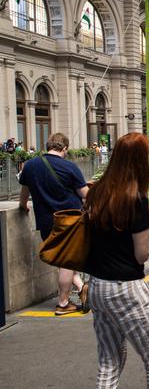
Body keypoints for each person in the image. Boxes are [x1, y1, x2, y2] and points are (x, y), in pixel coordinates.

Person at [83, 132, 149, 388]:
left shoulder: (97, 191)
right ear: (139, 161)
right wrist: (143, 217)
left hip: (97, 285)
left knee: (109, 360)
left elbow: (112, 225)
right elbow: (141, 255)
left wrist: (144, 216)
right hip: (126, 287)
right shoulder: (136, 199)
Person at [18, 133, 89, 315]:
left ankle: (82, 289)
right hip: (69, 220)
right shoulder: (69, 167)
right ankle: (63, 303)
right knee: (66, 261)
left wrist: (23, 206)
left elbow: (24, 192)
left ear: (48, 145)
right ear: (64, 148)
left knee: (61, 259)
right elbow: (85, 194)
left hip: (45, 221)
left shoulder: (30, 166)